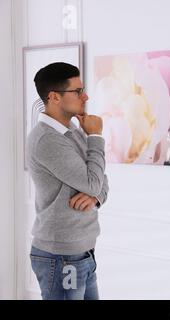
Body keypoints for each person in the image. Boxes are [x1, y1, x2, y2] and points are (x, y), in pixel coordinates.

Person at [26, 62, 109, 300]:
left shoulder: (73, 130)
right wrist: (95, 135)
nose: (86, 96)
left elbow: (101, 179)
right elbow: (94, 180)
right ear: (54, 97)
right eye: (77, 91)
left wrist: (96, 196)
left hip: (83, 251)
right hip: (61, 256)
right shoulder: (47, 140)